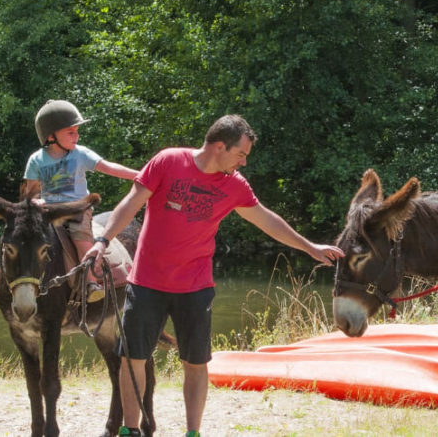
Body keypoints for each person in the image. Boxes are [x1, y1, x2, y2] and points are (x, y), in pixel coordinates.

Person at [83, 114, 344, 437]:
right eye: (241, 154)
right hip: (146, 282)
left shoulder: (234, 185)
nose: (243, 162)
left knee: (195, 363)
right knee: (133, 357)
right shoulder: (167, 161)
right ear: (220, 146)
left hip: (195, 287)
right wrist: (102, 241)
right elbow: (130, 204)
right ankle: (130, 430)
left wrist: (309, 247)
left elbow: (267, 220)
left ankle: (193, 432)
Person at [0, 100, 139, 308]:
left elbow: (109, 167)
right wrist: (35, 201)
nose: (76, 136)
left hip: (77, 210)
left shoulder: (81, 153)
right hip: (49, 212)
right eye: (70, 132)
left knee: (81, 239)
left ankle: (90, 282)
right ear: (51, 136)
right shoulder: (36, 160)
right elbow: (30, 192)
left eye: (77, 132)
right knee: (14, 238)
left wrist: (140, 175)